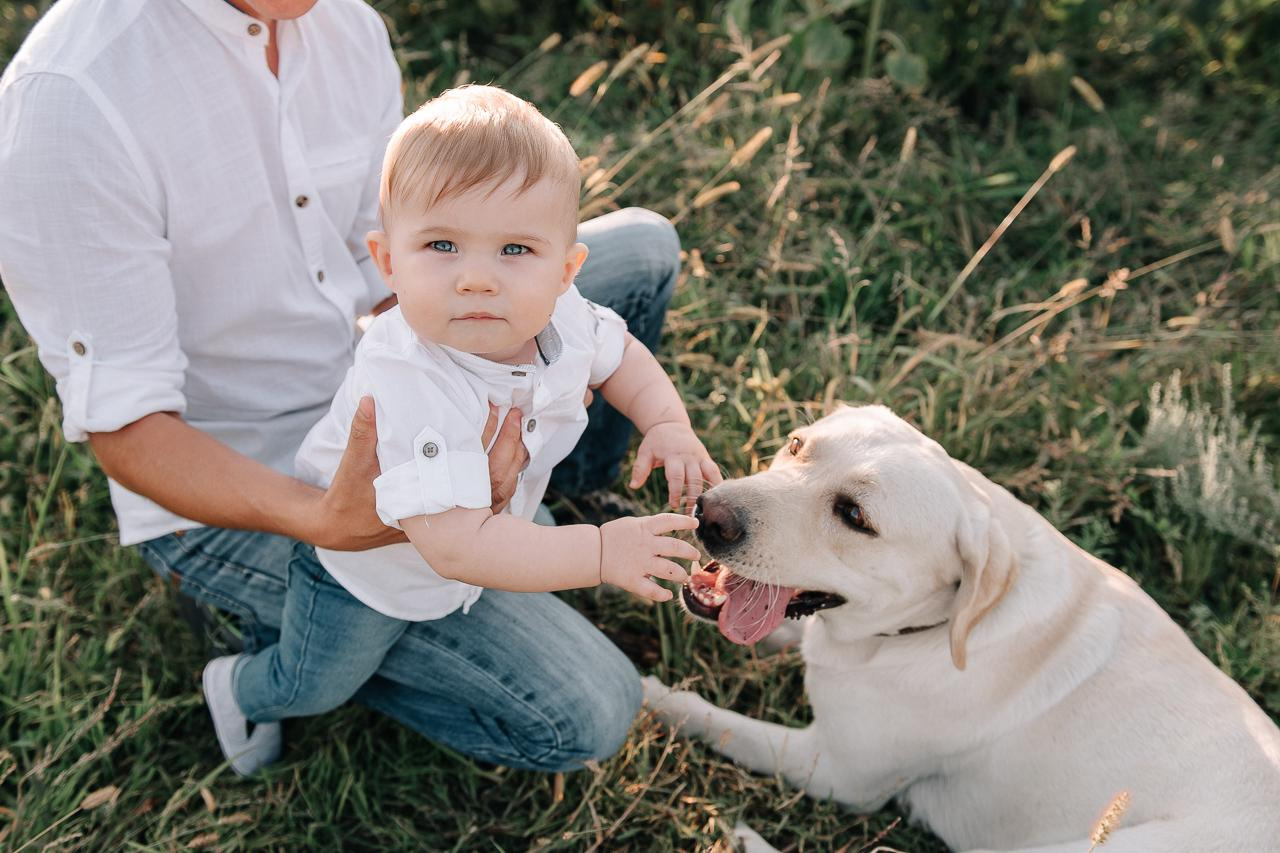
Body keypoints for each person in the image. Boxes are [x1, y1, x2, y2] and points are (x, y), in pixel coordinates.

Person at [0, 0, 692, 774]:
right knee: (589, 711)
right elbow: (130, 431)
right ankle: (247, 629)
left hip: (392, 359)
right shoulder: (70, 99)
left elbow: (401, 268)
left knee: (641, 250)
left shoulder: (346, 24)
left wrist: (510, 370)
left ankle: (566, 494)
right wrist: (331, 517)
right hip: (252, 480)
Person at [201, 84, 719, 775]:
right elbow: (456, 546)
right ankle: (239, 684)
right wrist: (597, 552)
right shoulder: (410, 376)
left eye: (514, 249)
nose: (477, 278)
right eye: (442, 244)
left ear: (567, 272)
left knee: (505, 549)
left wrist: (666, 420)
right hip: (369, 576)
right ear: (388, 262)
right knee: (318, 683)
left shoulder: (560, 312)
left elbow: (618, 355)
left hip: (484, 536)